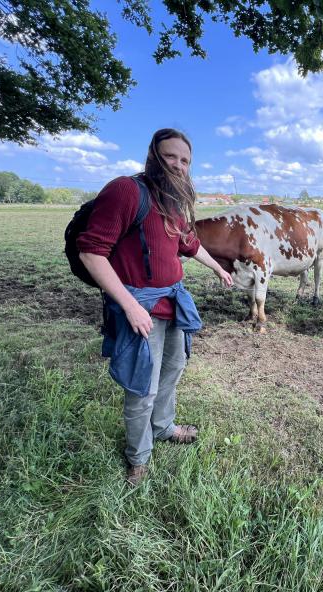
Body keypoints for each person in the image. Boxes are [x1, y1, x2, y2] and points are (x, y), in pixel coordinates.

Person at [77, 128, 233, 486]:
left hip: (173, 303)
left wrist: (219, 268)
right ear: (153, 155)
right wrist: (130, 306)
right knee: (141, 386)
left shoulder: (173, 203)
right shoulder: (127, 191)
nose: (178, 165)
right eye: (170, 157)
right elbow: (91, 251)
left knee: (171, 372)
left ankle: (164, 428)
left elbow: (190, 245)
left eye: (185, 160)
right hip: (139, 309)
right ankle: (138, 457)